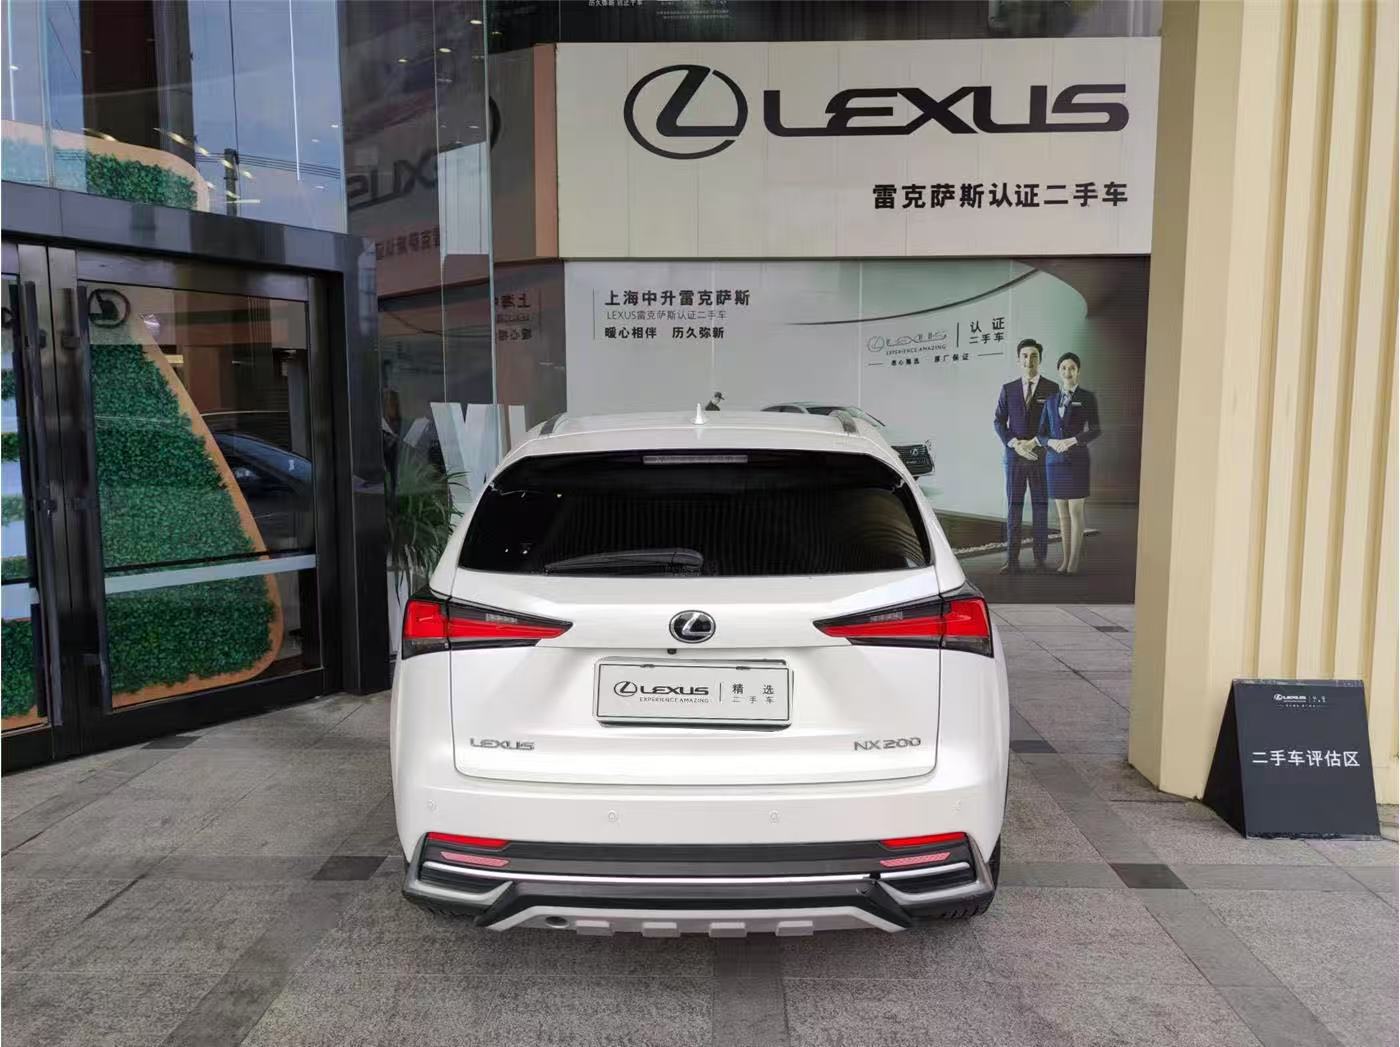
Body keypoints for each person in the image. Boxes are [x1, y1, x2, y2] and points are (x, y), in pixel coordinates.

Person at [993, 339, 1058, 573]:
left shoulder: (1052, 388)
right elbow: (999, 421)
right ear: (1018, 359)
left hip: (1040, 458)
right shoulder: (1008, 388)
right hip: (1014, 458)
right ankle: (1012, 561)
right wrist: (1015, 444)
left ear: (1040, 359)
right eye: (1025, 355)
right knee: (1014, 507)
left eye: (1033, 356)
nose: (1029, 360)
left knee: (1040, 507)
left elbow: (1055, 424)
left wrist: (1034, 443)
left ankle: (1040, 560)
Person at [1038, 351, 1101, 574]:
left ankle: (1073, 562)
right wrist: (1051, 442)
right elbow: (1041, 434)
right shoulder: (1050, 400)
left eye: (1072, 368)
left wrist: (1073, 440)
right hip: (1054, 462)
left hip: (1077, 461)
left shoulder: (1087, 397)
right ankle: (1064, 561)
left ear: (1078, 371)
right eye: (1064, 368)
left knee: (1075, 512)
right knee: (1062, 515)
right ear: (1059, 371)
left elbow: (1095, 429)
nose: (1067, 372)